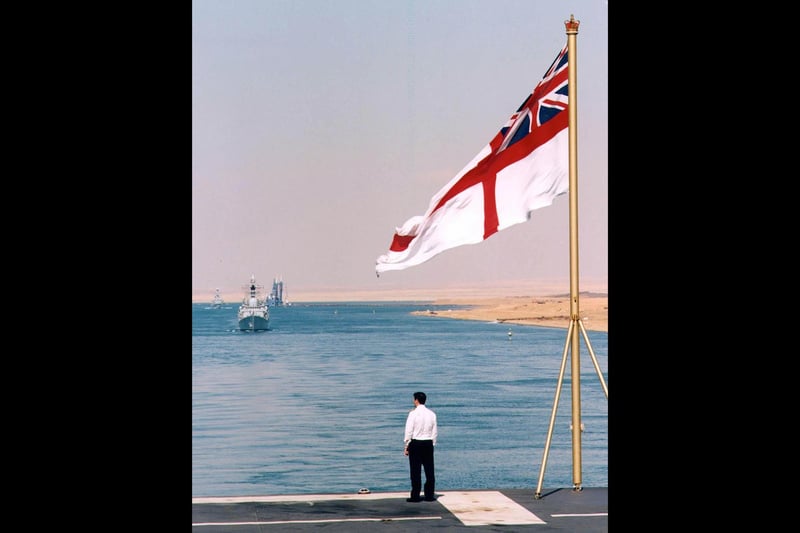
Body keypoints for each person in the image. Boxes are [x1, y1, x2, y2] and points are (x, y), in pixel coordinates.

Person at [403, 391, 438, 502]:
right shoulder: (432, 414)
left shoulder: (413, 414)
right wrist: (432, 444)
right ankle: (429, 495)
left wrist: (407, 444)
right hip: (428, 442)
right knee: (429, 470)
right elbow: (434, 432)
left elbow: (409, 431)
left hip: (416, 443)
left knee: (415, 470)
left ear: (416, 400)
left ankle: (415, 495)